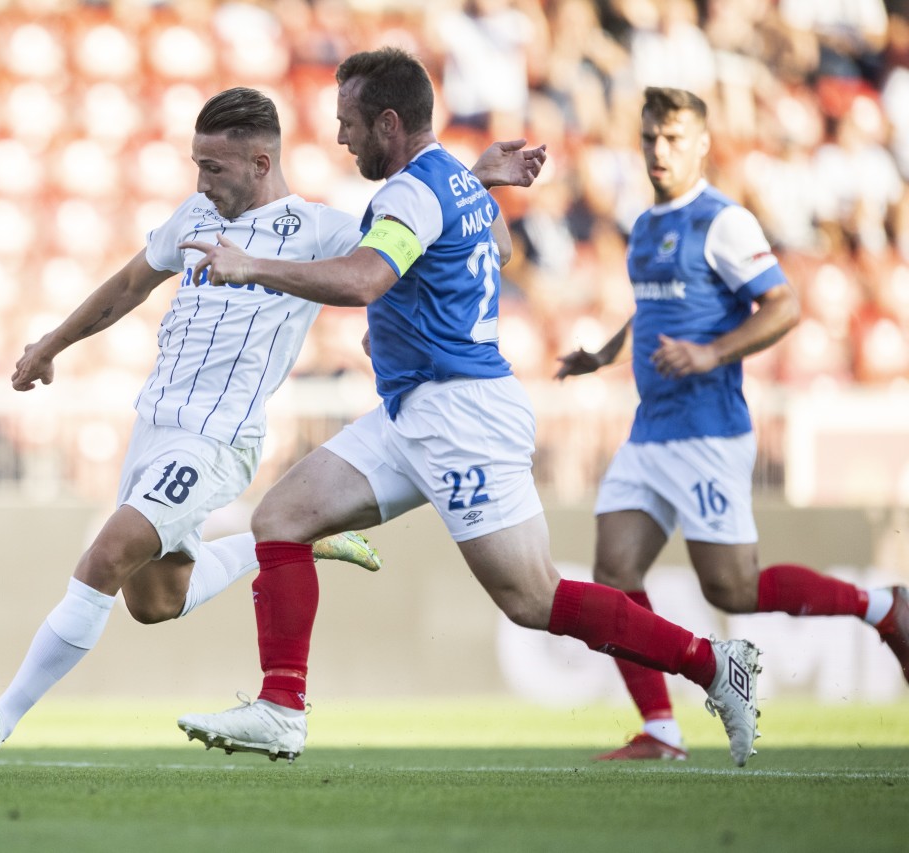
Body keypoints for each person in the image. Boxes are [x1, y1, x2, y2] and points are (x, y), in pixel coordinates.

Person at [176, 48, 763, 768]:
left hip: (460, 417)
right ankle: (281, 707)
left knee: (534, 598)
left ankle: (713, 662)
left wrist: (252, 264)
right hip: (414, 411)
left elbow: (365, 279)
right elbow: (502, 244)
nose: (340, 139)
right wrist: (473, 181)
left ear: (389, 122)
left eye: (350, 124)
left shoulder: (414, 192)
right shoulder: (449, 179)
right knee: (281, 516)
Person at [0, 86, 535, 767]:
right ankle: (296, 549)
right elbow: (129, 286)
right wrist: (50, 344)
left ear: (260, 162)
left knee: (105, 557)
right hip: (154, 428)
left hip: (218, 438)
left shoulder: (323, 229)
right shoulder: (194, 215)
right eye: (196, 165)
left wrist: (468, 181)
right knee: (155, 601)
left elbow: (486, 246)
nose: (201, 181)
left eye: (213, 167)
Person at [553, 86, 909, 762]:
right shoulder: (647, 225)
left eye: (675, 138)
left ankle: (884, 606)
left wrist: (711, 352)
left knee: (733, 588)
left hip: (709, 430)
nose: (660, 150)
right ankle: (661, 730)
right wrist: (604, 352)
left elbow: (784, 305)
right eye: (651, 137)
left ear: (704, 143)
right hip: (651, 429)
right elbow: (657, 307)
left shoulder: (724, 222)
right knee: (612, 569)